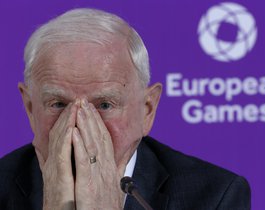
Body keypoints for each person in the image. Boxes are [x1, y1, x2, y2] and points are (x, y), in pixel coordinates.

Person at [0, 8, 250, 210]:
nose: (77, 124)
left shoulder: (215, 196)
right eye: (58, 104)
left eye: (105, 105)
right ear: (30, 108)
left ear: (147, 110)